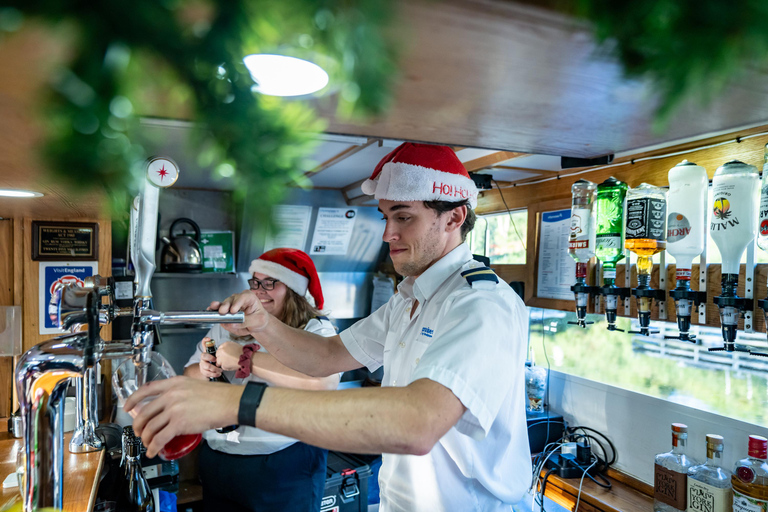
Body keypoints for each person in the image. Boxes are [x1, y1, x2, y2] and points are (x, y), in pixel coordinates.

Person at [127, 142, 532, 511]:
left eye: (403, 217)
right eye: (386, 216)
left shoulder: (480, 303)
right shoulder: (411, 298)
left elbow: (418, 423)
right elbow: (325, 356)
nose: (388, 234)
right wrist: (263, 324)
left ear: (454, 218)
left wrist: (233, 403)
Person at [183, 248, 339, 512]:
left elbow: (321, 380)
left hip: (283, 466)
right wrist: (204, 368)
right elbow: (188, 377)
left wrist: (243, 359)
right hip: (219, 462)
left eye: (270, 283)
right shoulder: (232, 324)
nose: (260, 290)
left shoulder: (315, 330)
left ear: (294, 290)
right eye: (255, 282)